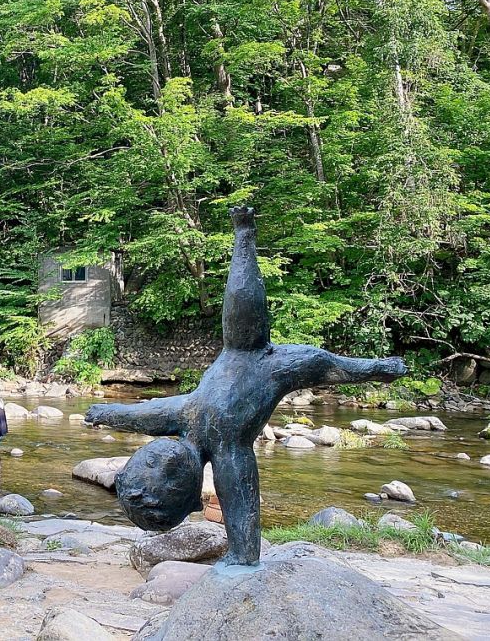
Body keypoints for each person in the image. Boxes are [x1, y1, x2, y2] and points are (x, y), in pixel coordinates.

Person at [85, 206, 407, 565]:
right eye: (158, 475)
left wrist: (104, 412)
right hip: (270, 369)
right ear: (189, 492)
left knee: (242, 302)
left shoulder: (182, 416)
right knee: (325, 364)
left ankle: (244, 234)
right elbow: (241, 504)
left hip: (240, 349)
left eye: (143, 462)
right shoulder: (228, 454)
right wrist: (242, 553)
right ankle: (380, 368)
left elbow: (139, 414)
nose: (152, 459)